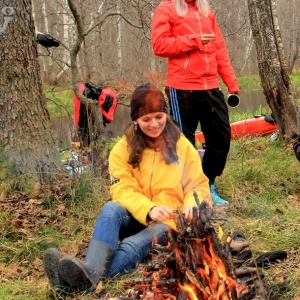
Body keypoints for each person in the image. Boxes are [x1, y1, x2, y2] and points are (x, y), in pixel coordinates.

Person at [42, 83, 211, 293]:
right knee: (111, 208)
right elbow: (121, 189)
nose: (154, 124)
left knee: (132, 245)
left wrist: (192, 204)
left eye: (159, 116)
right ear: (136, 121)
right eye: (146, 119)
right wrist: (149, 209)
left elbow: (198, 185)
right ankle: (86, 276)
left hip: (169, 221)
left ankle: (71, 282)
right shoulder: (122, 149)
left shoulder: (182, 145)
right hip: (138, 214)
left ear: (166, 114)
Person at [151, 0, 240, 205]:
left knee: (221, 137)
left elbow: (219, 49)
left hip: (210, 85)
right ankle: (190, 191)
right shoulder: (167, 8)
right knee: (183, 142)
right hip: (181, 86)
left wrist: (231, 82)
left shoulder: (206, 10)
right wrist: (194, 40)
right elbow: (159, 45)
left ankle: (208, 184)